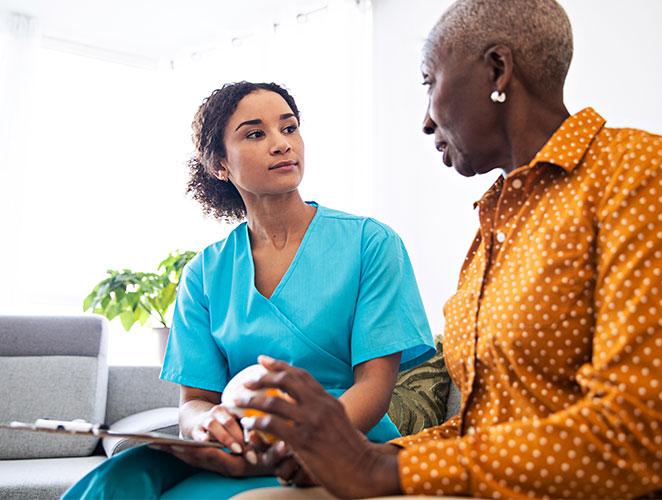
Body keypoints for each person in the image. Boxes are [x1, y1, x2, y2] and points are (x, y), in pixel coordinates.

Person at [229, 1, 662, 498]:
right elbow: (484, 432)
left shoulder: (645, 175)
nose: (425, 120)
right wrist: (364, 456)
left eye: (429, 82)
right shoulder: (496, 223)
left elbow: (639, 435)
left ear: (497, 71)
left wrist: (380, 472)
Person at [62, 81, 435, 499]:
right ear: (220, 165)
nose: (281, 144)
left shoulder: (371, 243)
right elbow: (195, 401)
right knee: (122, 480)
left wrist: (302, 444)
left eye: (289, 128)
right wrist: (206, 426)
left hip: (346, 447)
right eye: (255, 134)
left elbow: (375, 387)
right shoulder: (203, 272)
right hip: (240, 451)